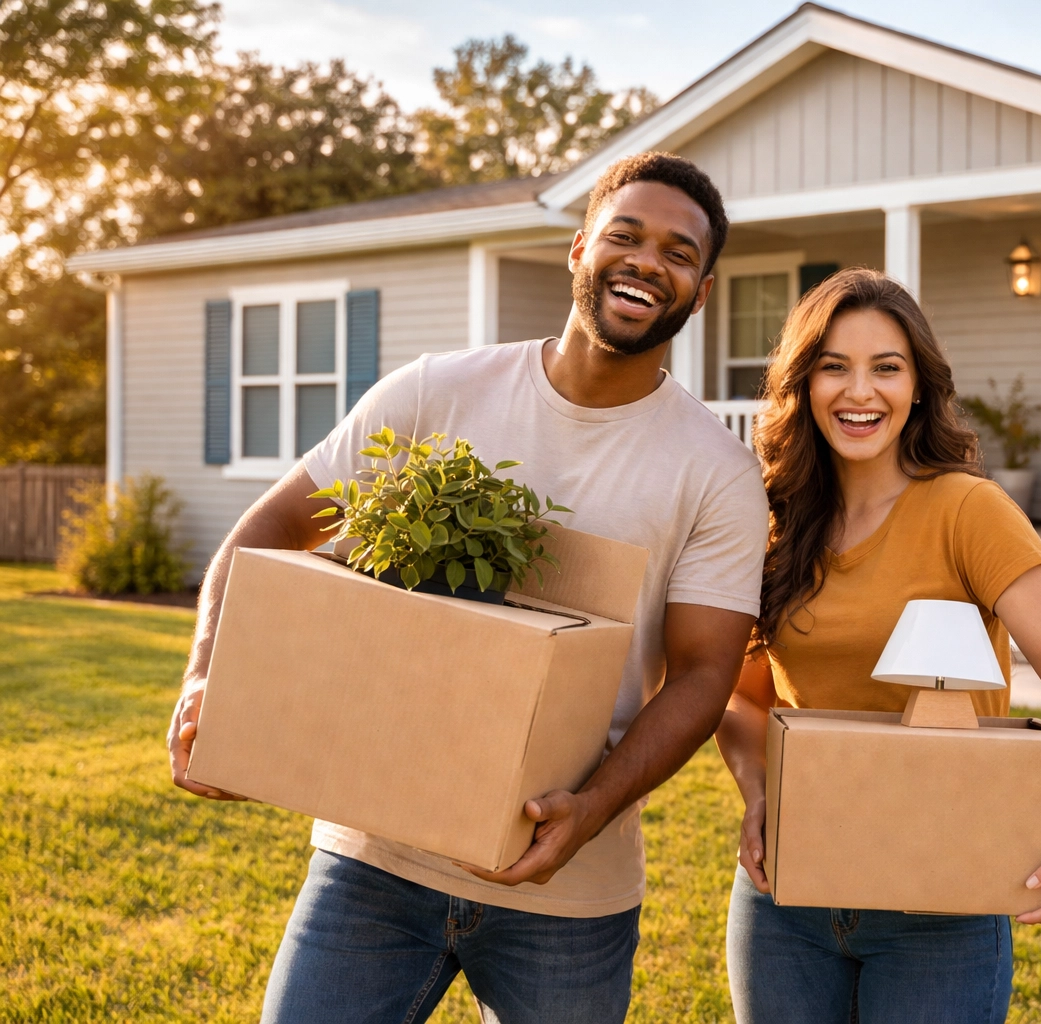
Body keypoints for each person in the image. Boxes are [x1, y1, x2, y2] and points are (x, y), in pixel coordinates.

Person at [166, 152, 770, 1024]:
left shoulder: (716, 471)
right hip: (374, 858)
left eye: (680, 253)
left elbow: (707, 674)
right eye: (626, 235)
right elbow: (268, 530)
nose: (648, 261)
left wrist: (591, 809)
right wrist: (204, 677)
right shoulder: (436, 393)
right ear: (577, 250)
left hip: (569, 889)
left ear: (702, 291)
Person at [715, 268, 1041, 1024]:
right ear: (803, 384)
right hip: (788, 896)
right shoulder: (773, 522)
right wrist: (758, 791)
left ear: (918, 387)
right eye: (833, 367)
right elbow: (744, 696)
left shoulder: (969, 511)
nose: (859, 392)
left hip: (941, 897)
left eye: (886, 368)